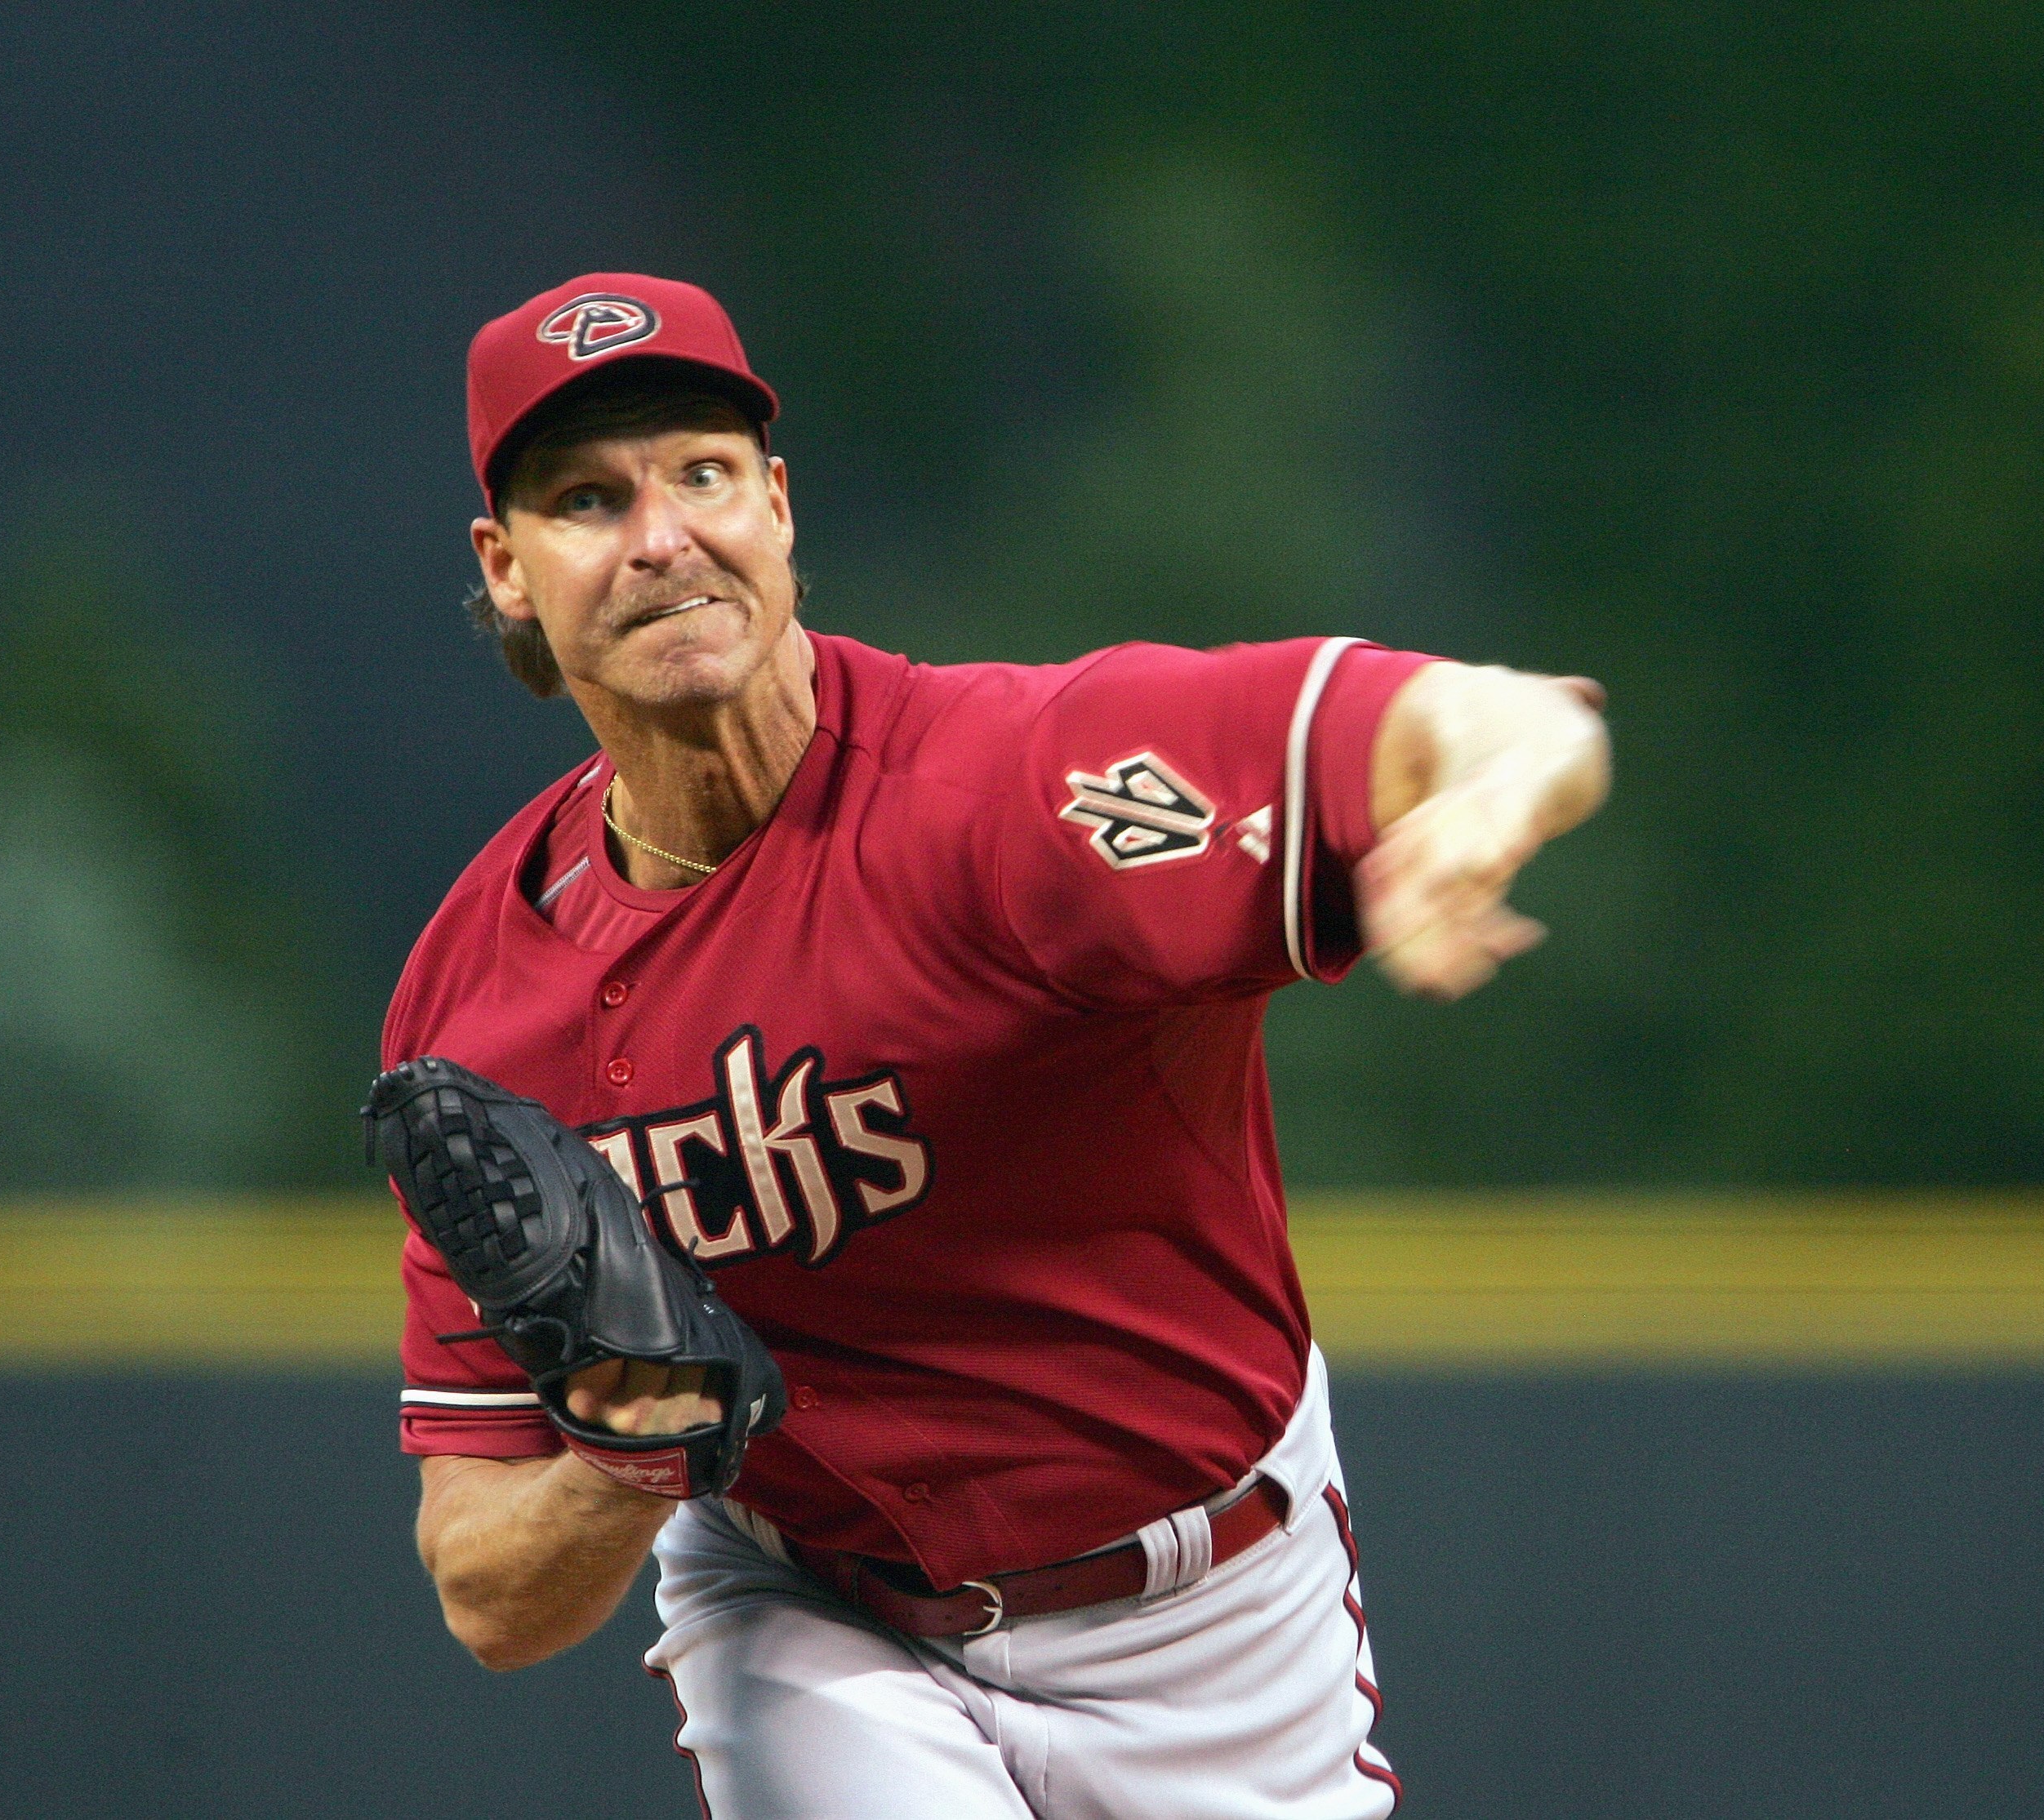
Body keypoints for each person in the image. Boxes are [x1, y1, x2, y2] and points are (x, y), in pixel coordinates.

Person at [390, 272, 1610, 1820]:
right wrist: (626, 1451)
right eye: (584, 498)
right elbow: (491, 1593)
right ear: (507, 569)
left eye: (700, 473)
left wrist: (1488, 809)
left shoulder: (1014, 794)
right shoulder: (480, 1006)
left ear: (776, 506)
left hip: (1212, 1616)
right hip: (811, 1610)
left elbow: (1524, 723)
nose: (658, 536)